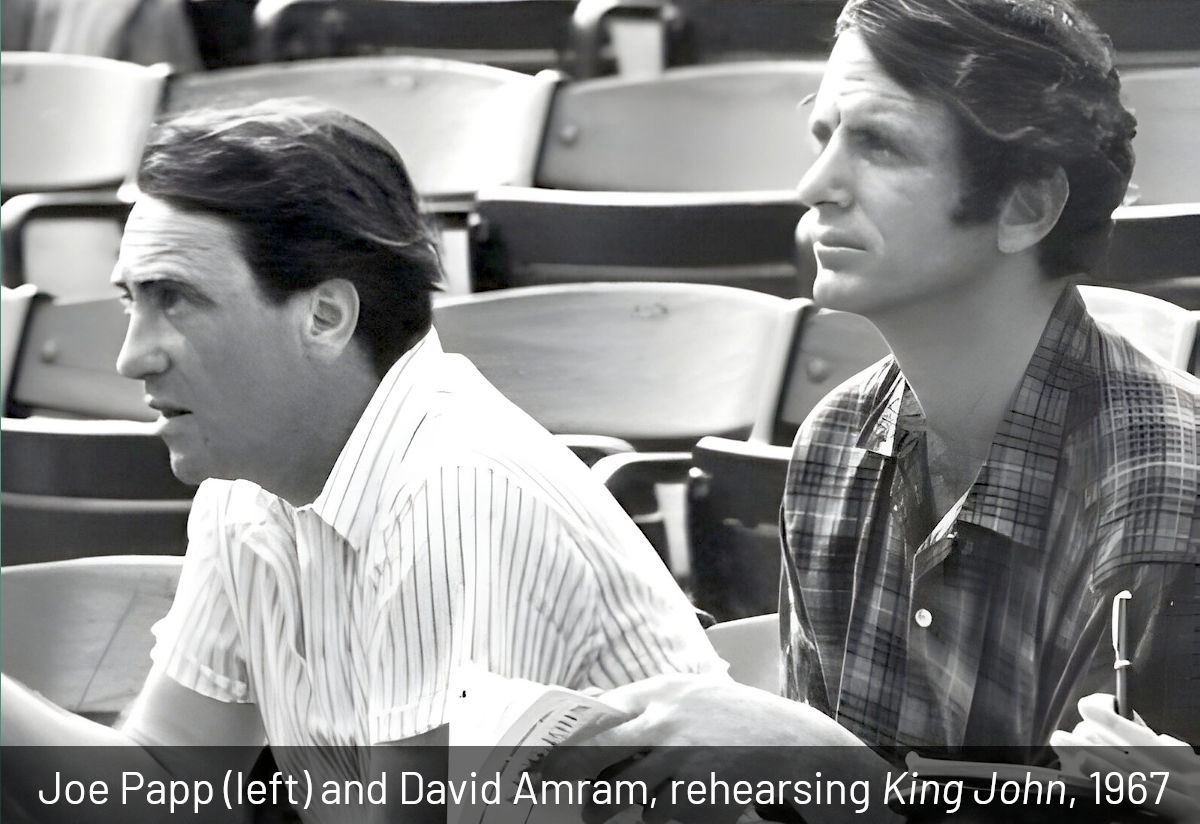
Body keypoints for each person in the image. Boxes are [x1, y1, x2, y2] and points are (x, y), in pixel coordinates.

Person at [542, 0, 1199, 820]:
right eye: (824, 137)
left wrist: (814, 761)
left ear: (1027, 207)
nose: (814, 186)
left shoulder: (1168, 502)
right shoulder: (835, 440)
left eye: (879, 145)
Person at [0, 101, 724, 823]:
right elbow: (167, 785)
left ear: (326, 317)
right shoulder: (250, 480)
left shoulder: (454, 487)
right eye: (132, 302)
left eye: (177, 300)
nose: (132, 357)